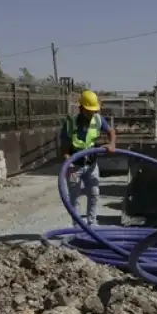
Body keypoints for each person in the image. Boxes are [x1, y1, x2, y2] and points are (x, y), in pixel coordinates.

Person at [59, 90, 117, 226]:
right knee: (74, 198)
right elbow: (64, 149)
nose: (92, 113)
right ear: (81, 109)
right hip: (75, 166)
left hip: (91, 165)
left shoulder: (97, 119)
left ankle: (92, 224)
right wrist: (69, 162)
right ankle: (77, 227)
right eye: (89, 111)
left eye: (94, 110)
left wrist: (112, 143)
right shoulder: (70, 124)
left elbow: (111, 132)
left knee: (94, 194)